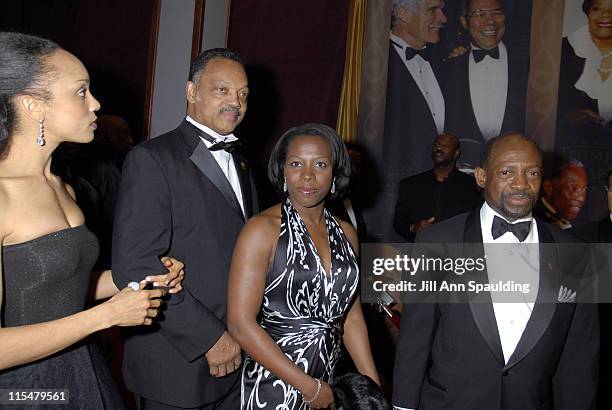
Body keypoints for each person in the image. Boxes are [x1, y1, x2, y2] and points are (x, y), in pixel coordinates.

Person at [0, 32, 184, 408]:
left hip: (81, 367)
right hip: (23, 390)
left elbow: (54, 288)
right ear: (34, 105)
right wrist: (106, 317)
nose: (96, 104)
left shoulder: (63, 188)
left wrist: (134, 278)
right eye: (81, 92)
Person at [392, 133, 599, 409]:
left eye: (532, 172)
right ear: (481, 177)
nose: (521, 184)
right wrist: (403, 405)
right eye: (506, 172)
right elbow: (415, 336)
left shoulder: (575, 253)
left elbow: (579, 356)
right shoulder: (437, 242)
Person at [112, 48, 259, 409]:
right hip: (178, 360)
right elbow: (136, 266)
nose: (235, 102)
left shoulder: (242, 162)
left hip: (239, 355)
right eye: (221, 90)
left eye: (242, 94)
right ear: (191, 91)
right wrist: (210, 338)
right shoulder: (151, 159)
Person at [227, 123, 379, 410]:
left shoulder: (347, 233)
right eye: (296, 163)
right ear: (283, 170)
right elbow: (240, 324)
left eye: (320, 164)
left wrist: (373, 387)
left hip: (328, 384)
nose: (307, 176)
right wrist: (308, 387)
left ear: (335, 173)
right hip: (273, 386)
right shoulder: (261, 230)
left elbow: (351, 317)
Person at [374, 0, 448, 241]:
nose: (443, 18)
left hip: (432, 200)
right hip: (389, 204)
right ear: (403, 14)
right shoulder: (375, 63)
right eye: (432, 10)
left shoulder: (444, 60)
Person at [445, 0, 528, 168]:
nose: (490, 21)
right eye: (480, 14)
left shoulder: (529, 64)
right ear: (464, 21)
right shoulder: (449, 68)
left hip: (515, 171)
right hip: (462, 175)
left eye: (496, 13)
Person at [393, 133, 481, 241]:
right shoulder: (410, 185)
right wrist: (414, 227)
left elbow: (477, 223)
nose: (439, 148)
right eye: (436, 145)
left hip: (458, 253)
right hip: (419, 252)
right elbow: (399, 222)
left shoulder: (472, 186)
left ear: (456, 153)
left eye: (446, 145)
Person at [557, 0, 612, 145]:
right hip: (574, 148)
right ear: (588, 13)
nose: (606, 15)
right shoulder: (561, 51)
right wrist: (569, 116)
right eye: (597, 9)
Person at [535, 158, 589, 229]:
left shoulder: (583, 220)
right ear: (549, 188)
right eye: (572, 188)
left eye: (584, 189)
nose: (581, 198)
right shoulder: (535, 220)